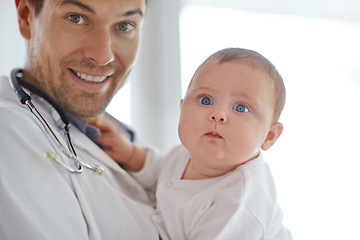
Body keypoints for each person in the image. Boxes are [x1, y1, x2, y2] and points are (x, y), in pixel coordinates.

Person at [0, 0, 161, 239]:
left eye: (125, 25)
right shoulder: (8, 133)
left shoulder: (123, 144)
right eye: (76, 18)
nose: (103, 56)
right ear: (26, 17)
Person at [99, 48, 293, 239]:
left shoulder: (240, 205)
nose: (218, 114)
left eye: (241, 108)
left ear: (269, 136)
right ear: (182, 108)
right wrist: (130, 154)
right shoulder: (186, 154)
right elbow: (160, 169)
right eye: (206, 100)